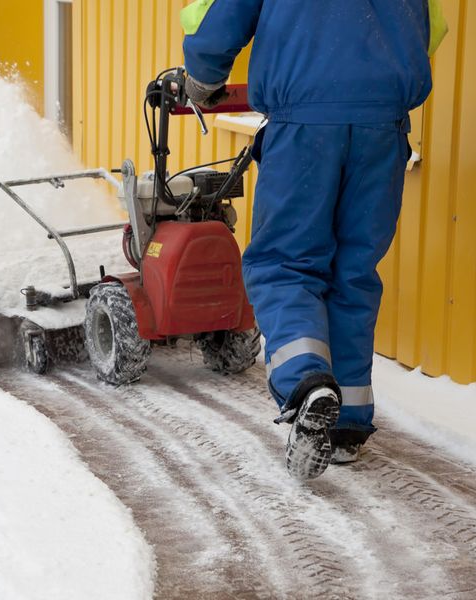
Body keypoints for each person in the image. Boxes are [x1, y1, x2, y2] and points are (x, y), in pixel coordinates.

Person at [181, 0, 447, 479]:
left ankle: (306, 382)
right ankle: (347, 425)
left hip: (305, 122)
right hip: (383, 127)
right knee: (353, 272)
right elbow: (434, 30)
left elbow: (217, 21)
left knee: (283, 264)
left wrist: (203, 77)